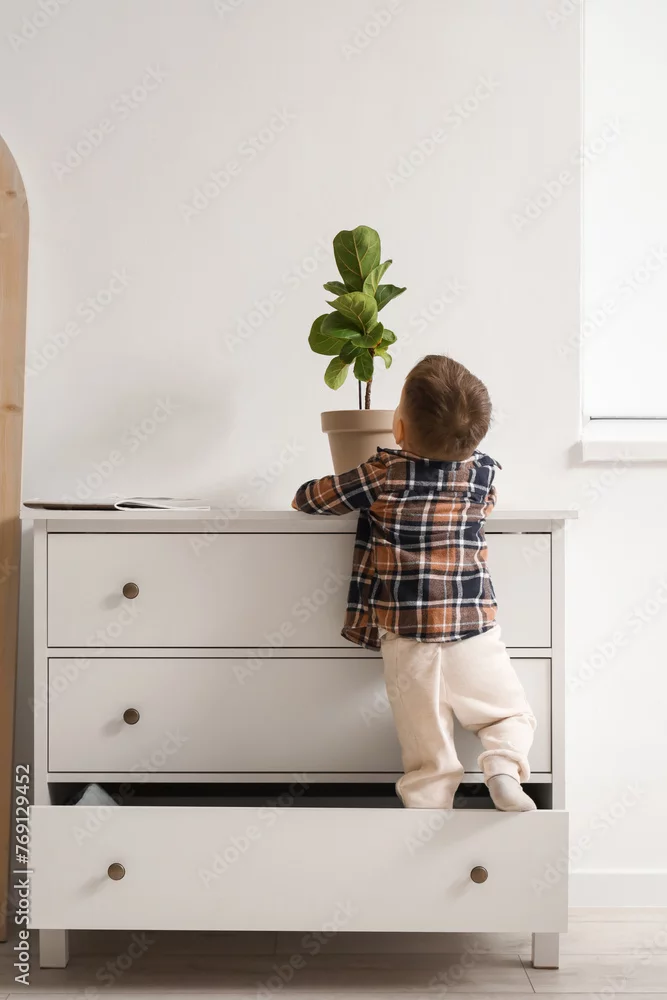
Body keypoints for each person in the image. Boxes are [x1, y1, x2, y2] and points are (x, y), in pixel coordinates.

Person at [292, 354, 536, 811]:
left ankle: (426, 817)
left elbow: (311, 500)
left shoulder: (383, 473)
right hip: (474, 630)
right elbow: (486, 508)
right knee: (509, 713)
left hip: (408, 639)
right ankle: (503, 769)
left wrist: (312, 490)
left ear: (398, 429)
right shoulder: (483, 475)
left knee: (428, 753)